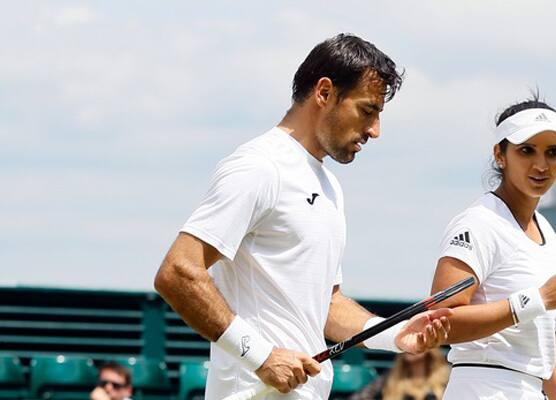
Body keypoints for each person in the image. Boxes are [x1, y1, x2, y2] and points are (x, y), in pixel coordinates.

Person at [154, 33, 451, 400]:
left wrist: (394, 335)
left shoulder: (328, 185)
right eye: (367, 111)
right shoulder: (259, 166)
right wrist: (261, 356)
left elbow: (325, 304)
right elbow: (178, 272)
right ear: (324, 93)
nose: (375, 130)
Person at [430, 94, 556, 399]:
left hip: (528, 388)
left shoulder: (547, 232)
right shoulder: (479, 223)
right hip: (482, 387)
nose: (541, 165)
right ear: (500, 155)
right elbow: (438, 320)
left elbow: (543, 339)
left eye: (552, 152)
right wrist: (535, 299)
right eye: (526, 151)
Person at [350, 348, 449, 400]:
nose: (411, 346)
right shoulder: (390, 378)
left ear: (430, 347)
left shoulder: (445, 380)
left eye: (419, 340)